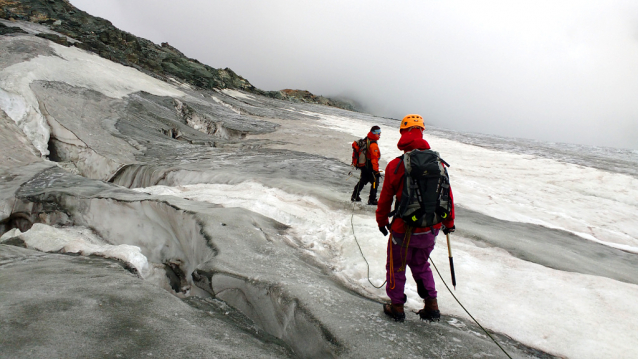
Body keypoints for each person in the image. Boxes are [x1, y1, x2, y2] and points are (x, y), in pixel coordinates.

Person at [375, 114, 455, 322]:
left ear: (403, 134)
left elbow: (385, 199)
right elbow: (447, 196)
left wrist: (382, 221)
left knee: (397, 266)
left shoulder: (396, 165)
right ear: (422, 132)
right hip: (430, 228)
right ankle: (431, 305)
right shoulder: (439, 164)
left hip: (403, 229)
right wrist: (449, 223)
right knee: (421, 265)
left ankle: (397, 307)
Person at [351, 125, 382, 205]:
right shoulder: (373, 144)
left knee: (363, 180)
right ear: (373, 133)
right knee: (375, 182)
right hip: (370, 167)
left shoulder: (367, 139)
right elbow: (374, 158)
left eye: (380, 133)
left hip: (364, 166)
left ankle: (355, 195)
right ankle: (372, 200)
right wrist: (376, 171)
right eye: (378, 133)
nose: (379, 135)